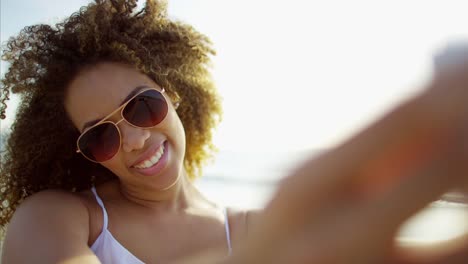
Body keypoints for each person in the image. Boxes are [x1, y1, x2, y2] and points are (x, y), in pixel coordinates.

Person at [2, 1, 468, 264]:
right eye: (102, 135)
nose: (137, 141)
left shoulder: (250, 228)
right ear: (86, 154)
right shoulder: (59, 218)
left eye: (142, 106)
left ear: (175, 94)